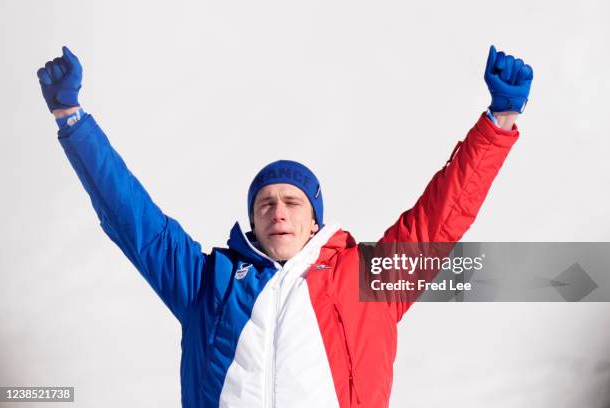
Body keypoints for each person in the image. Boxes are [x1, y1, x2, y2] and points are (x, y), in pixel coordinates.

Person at [37, 45, 533, 408]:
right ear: (252, 219)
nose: (278, 212)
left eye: (292, 202)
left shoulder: (368, 280)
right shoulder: (206, 283)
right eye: (266, 204)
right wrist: (72, 118)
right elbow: (133, 219)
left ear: (314, 217)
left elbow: (441, 217)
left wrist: (500, 121)